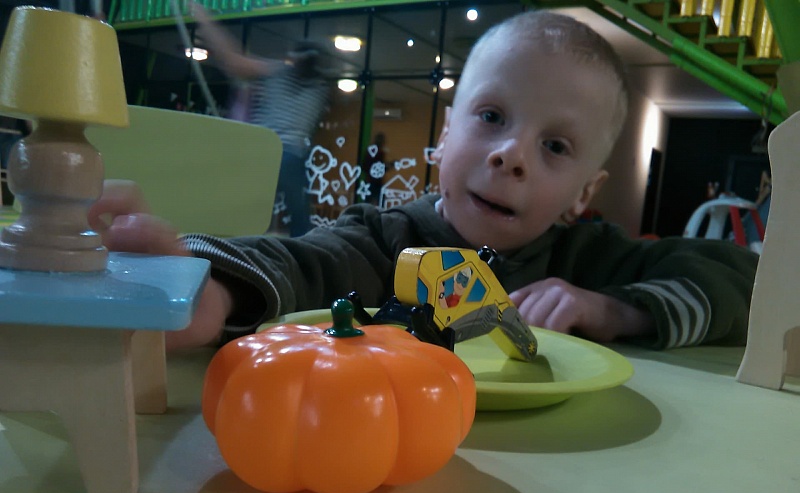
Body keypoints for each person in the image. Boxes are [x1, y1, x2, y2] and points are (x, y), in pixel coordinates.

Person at [90, 10, 758, 353]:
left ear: (584, 193)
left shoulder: (592, 261)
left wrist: (618, 310)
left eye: (555, 146)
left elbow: (742, 279)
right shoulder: (387, 239)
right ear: (445, 136)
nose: (511, 156)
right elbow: (302, 261)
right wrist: (208, 289)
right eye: (491, 117)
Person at [191, 3, 329, 237]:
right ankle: (303, 252)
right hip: (294, 157)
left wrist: (205, 20)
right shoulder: (319, 89)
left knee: (247, 212)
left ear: (295, 59)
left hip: (268, 151)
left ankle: (233, 243)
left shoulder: (280, 73)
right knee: (299, 220)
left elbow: (233, 60)